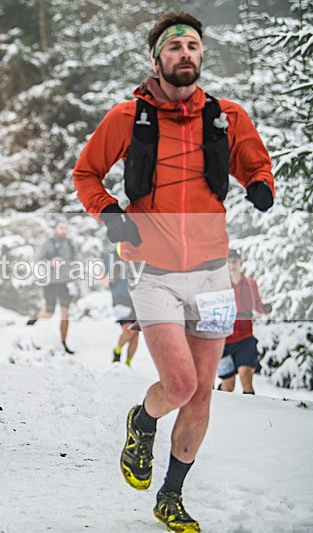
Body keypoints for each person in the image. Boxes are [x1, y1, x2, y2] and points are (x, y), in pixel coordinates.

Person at [73, 12, 274, 532]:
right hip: (155, 273)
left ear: (201, 55)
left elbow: (255, 163)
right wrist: (110, 215)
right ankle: (142, 420)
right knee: (181, 385)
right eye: (173, 47)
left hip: (211, 275)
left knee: (204, 392)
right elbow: (86, 173)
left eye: (192, 46)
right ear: (156, 59)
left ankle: (171, 495)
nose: (184, 53)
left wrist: (259, 183)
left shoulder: (227, 118)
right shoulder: (128, 117)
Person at [217, 249, 271, 394]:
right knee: (228, 386)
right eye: (228, 262)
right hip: (224, 341)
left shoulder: (250, 284)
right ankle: (224, 405)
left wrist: (264, 308)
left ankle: (251, 411)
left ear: (241, 263)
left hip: (245, 338)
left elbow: (256, 304)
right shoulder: (219, 285)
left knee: (245, 375)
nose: (231, 265)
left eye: (234, 261)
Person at [26, 218, 77, 354]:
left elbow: (75, 259)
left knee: (65, 313)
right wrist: (50, 262)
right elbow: (37, 260)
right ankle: (36, 315)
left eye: (66, 228)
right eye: (61, 228)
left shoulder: (70, 243)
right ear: (56, 229)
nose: (64, 231)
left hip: (66, 282)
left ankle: (63, 343)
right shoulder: (49, 243)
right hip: (51, 282)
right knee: (49, 313)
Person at [102, 245, 140, 365]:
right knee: (129, 331)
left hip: (135, 297)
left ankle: (128, 364)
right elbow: (100, 274)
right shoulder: (111, 255)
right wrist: (107, 281)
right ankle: (117, 351)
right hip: (119, 297)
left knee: (135, 335)